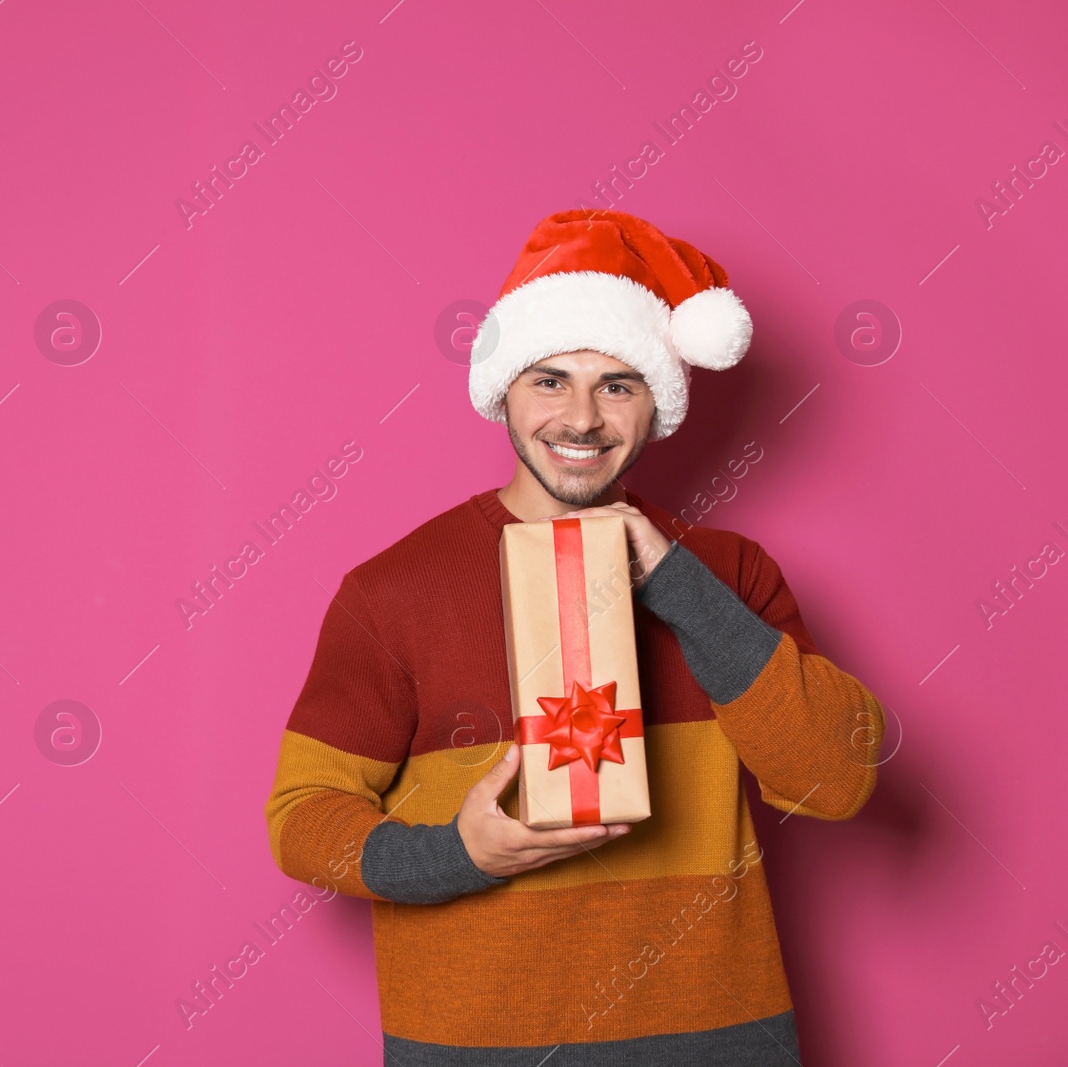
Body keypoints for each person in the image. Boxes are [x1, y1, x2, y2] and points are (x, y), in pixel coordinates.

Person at [264, 209, 884, 1065]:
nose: (583, 418)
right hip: (477, 1044)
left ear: (657, 404)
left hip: (715, 1038)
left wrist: (678, 586)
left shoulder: (729, 573)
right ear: (502, 391)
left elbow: (838, 778)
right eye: (550, 379)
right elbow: (303, 819)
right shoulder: (394, 589)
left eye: (619, 383)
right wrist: (458, 854)